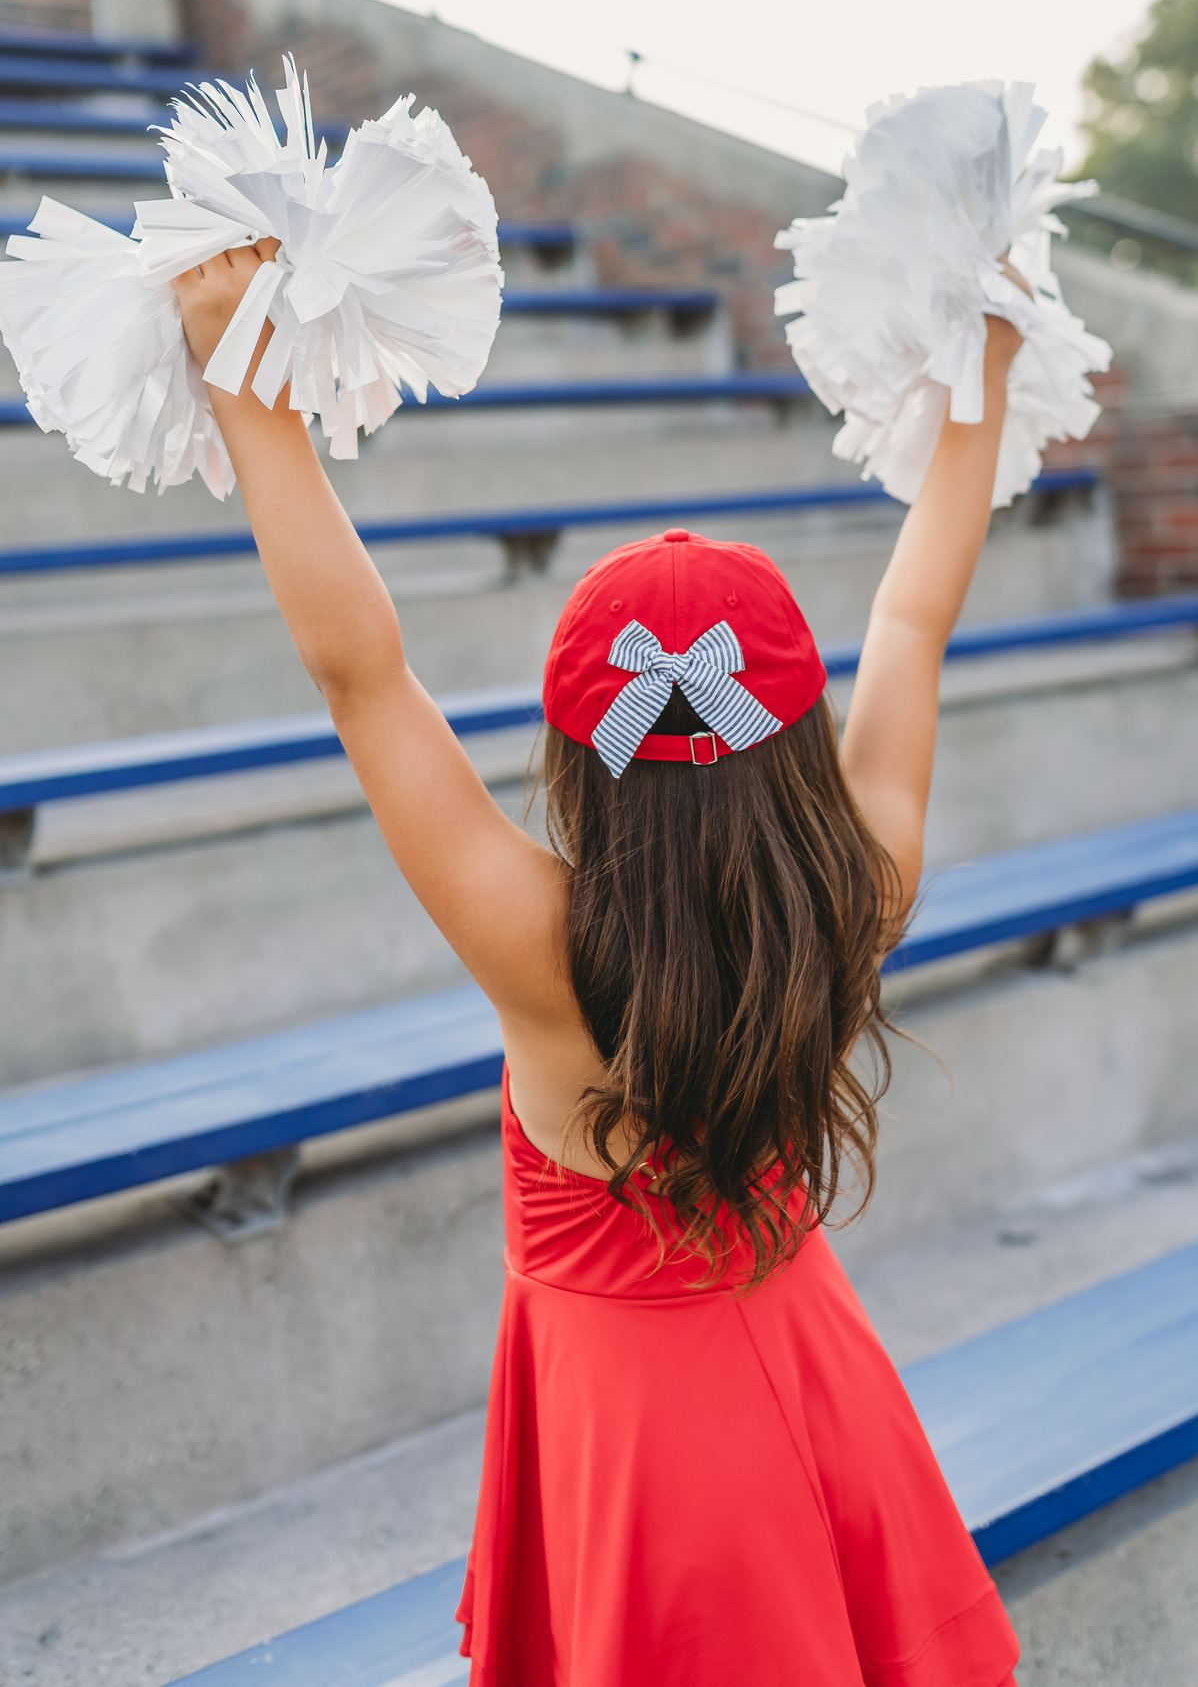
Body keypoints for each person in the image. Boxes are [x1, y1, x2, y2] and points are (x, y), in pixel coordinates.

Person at [175, 241, 1026, 1686]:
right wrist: (979, 375)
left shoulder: (534, 941)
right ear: (800, 740)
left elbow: (359, 674)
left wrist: (244, 387)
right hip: (809, 1370)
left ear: (579, 754)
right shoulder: (855, 884)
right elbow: (909, 617)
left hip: (626, 1432)